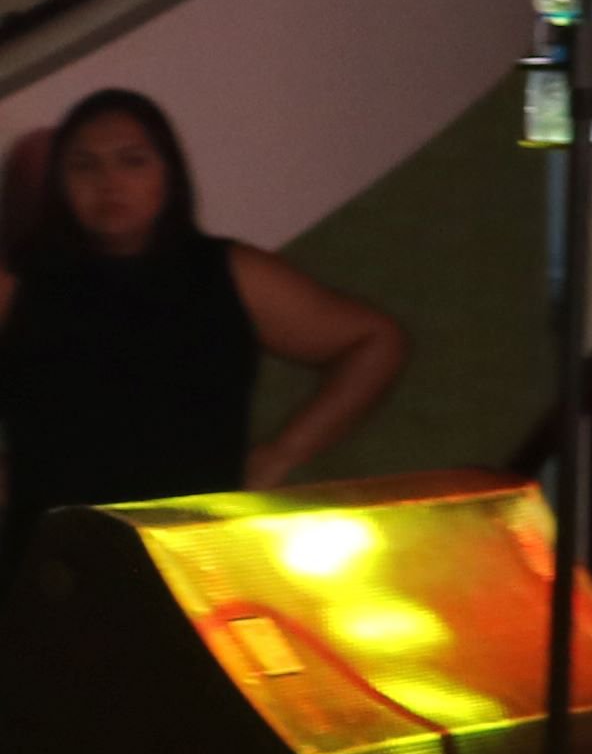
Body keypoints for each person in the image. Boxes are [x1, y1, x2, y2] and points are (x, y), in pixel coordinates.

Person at [0, 88, 406, 518]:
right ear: (59, 183)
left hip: (198, 536)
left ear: (169, 173)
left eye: (132, 161)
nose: (109, 182)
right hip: (56, 543)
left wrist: (284, 451)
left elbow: (375, 341)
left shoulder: (231, 274)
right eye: (84, 165)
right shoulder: (18, 285)